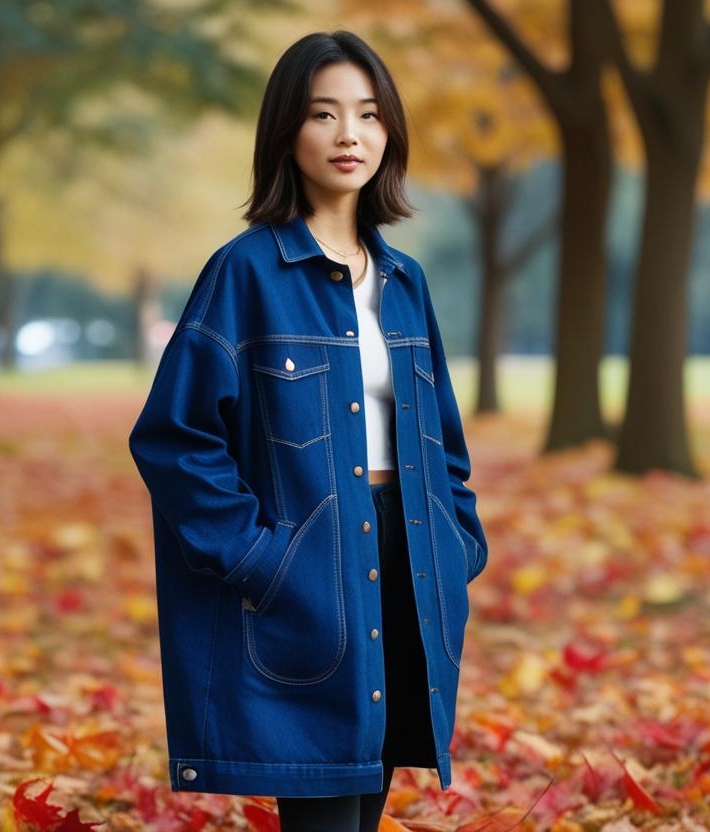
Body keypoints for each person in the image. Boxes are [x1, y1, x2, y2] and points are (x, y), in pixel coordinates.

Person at [127, 29, 488, 832]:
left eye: (367, 114)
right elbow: (175, 439)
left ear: (389, 131)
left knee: (368, 803)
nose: (348, 134)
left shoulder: (404, 281)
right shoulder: (244, 272)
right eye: (324, 114)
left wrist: (460, 545)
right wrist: (263, 557)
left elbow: (444, 444)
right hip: (308, 571)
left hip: (407, 567)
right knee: (324, 814)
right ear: (288, 132)